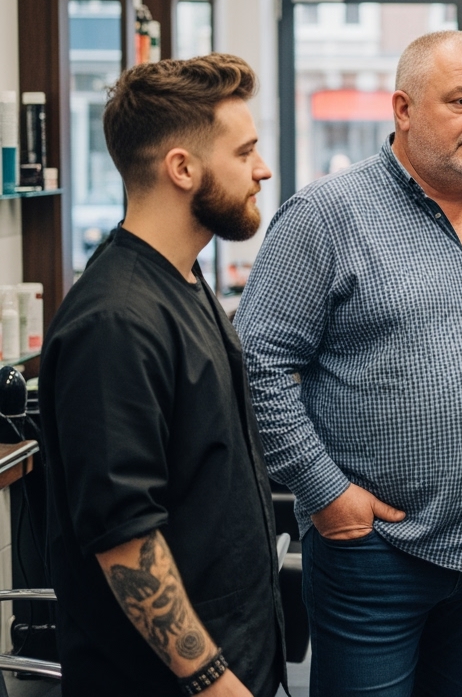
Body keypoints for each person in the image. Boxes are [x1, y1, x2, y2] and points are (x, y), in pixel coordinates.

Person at [235, 30, 462, 697]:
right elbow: (257, 365)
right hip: (376, 555)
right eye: (461, 100)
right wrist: (328, 496)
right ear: (402, 109)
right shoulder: (325, 217)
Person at [39, 55, 284, 696]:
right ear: (183, 168)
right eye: (245, 152)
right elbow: (125, 540)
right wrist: (213, 682)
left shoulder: (183, 276)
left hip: (234, 657)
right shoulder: (115, 321)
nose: (262, 170)